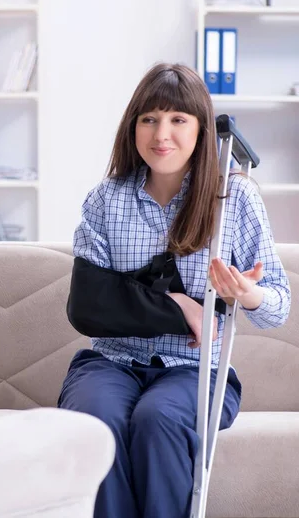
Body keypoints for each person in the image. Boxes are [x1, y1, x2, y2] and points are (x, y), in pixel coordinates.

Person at [59, 62, 291, 518]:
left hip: (194, 369)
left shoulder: (234, 199)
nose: (161, 133)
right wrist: (182, 306)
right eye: (149, 119)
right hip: (111, 361)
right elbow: (88, 306)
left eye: (178, 120)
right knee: (94, 421)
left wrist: (247, 295)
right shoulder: (107, 200)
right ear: (133, 128)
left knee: (158, 419)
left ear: (202, 130)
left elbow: (278, 306)